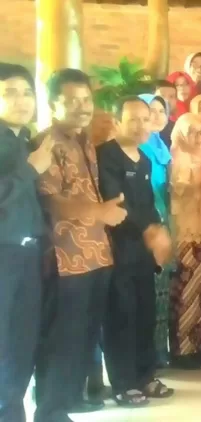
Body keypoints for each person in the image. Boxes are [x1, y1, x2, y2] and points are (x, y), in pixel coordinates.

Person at [32, 69, 124, 420]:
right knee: (62, 342)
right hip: (66, 258)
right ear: (53, 104)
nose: (82, 106)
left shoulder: (83, 140)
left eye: (86, 99)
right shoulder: (47, 143)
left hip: (96, 254)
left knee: (84, 340)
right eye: (71, 100)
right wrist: (98, 212)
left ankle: (66, 404)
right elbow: (51, 201)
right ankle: (50, 412)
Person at [97, 96, 174, 407]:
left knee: (145, 314)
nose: (141, 125)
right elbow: (116, 203)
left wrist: (159, 230)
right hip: (116, 250)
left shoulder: (144, 159)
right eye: (133, 119)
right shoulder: (106, 156)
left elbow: (147, 204)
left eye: (145, 119)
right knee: (121, 316)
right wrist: (149, 230)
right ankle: (124, 383)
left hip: (142, 252)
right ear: (117, 122)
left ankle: (145, 375)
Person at [0, 62, 49, 422]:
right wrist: (30, 169)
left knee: (22, 341)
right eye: (10, 93)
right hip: (4, 252)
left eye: (27, 92)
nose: (22, 100)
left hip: (28, 254)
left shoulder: (25, 140)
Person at [168, 112, 201, 369]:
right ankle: (182, 350)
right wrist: (198, 189)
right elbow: (177, 195)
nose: (198, 137)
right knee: (187, 291)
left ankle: (198, 345)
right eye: (192, 132)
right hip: (186, 233)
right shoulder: (179, 158)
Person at [138, 94, 174, 367]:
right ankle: (147, 352)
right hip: (146, 223)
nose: (157, 116)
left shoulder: (162, 148)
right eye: (151, 110)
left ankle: (159, 349)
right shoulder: (140, 148)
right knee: (147, 290)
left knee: (162, 289)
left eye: (162, 111)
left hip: (165, 220)